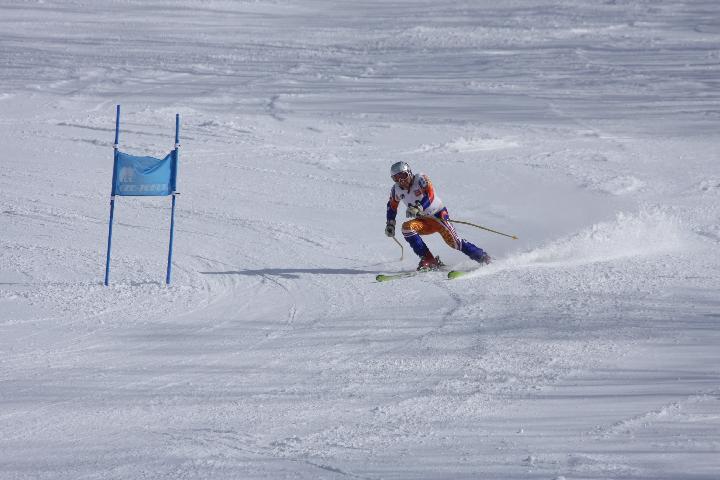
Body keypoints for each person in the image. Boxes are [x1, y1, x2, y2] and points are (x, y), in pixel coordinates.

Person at [385, 161, 491, 271]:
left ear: (409, 173)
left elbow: (430, 195)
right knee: (407, 228)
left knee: (455, 243)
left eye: (403, 175)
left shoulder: (420, 179)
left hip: (438, 216)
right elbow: (392, 206)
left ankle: (483, 257)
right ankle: (429, 260)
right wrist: (390, 224)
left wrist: (419, 207)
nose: (401, 180)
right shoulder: (396, 190)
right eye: (396, 178)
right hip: (423, 221)